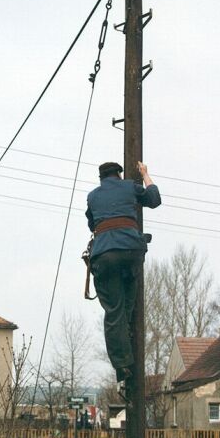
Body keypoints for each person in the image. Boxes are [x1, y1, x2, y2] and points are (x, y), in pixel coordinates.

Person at [86, 161, 161, 382]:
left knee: (114, 311)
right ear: (119, 175)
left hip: (105, 257)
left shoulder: (92, 196)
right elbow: (154, 199)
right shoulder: (129, 186)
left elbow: (92, 225)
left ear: (101, 179)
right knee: (128, 304)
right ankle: (128, 346)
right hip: (131, 252)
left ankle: (122, 365)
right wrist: (145, 174)